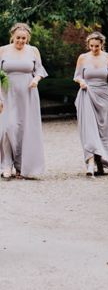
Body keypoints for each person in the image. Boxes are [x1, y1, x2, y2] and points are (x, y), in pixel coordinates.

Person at [0, 23, 47, 179]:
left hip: (28, 94)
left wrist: (36, 79)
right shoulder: (3, 50)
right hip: (6, 94)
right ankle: (6, 164)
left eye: (24, 38)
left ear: (28, 38)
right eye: (18, 38)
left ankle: (21, 166)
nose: (20, 41)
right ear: (12, 36)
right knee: (8, 127)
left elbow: (39, 70)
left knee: (25, 130)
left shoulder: (33, 51)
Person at [73, 31, 108, 177]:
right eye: (91, 46)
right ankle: (90, 162)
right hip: (87, 94)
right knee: (89, 129)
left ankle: (101, 163)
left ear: (101, 45)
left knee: (105, 130)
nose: (93, 49)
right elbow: (77, 76)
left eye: (96, 46)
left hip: (104, 95)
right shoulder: (83, 58)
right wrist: (82, 82)